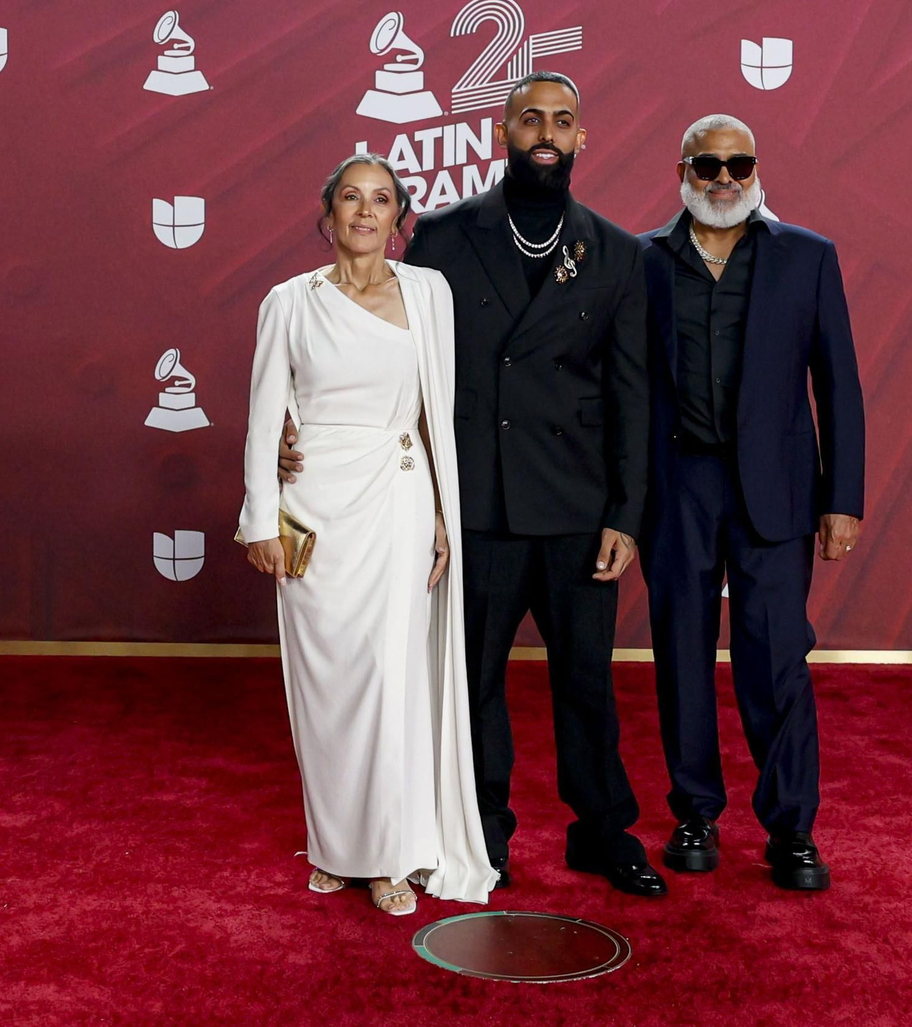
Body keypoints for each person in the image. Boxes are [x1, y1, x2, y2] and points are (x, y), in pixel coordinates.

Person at [282, 73, 666, 897]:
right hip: (473, 505)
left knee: (587, 682)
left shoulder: (618, 252)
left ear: (582, 137)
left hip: (575, 508)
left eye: (563, 120)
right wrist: (301, 433)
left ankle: (603, 832)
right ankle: (478, 832)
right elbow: (396, 366)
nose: (547, 134)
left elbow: (635, 394)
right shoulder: (445, 239)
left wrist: (627, 513)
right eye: (531, 119)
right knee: (470, 686)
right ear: (501, 132)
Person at [240, 153, 497, 916]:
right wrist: (260, 519)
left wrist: (448, 517)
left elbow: (437, 413)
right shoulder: (288, 301)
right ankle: (335, 847)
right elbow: (263, 417)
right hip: (315, 510)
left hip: (400, 498)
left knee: (391, 680)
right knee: (328, 686)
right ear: (329, 215)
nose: (364, 211)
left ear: (399, 217)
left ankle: (388, 856)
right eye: (350, 198)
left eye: (380, 200)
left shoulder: (430, 293)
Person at [638, 114, 865, 891]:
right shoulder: (641, 262)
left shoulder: (806, 257)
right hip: (677, 489)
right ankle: (694, 812)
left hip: (778, 491)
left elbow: (838, 385)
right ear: (684, 170)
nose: (726, 177)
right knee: (682, 656)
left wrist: (844, 499)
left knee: (777, 661)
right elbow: (620, 389)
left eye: (740, 163)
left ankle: (792, 828)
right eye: (710, 165)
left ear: (757, 169)